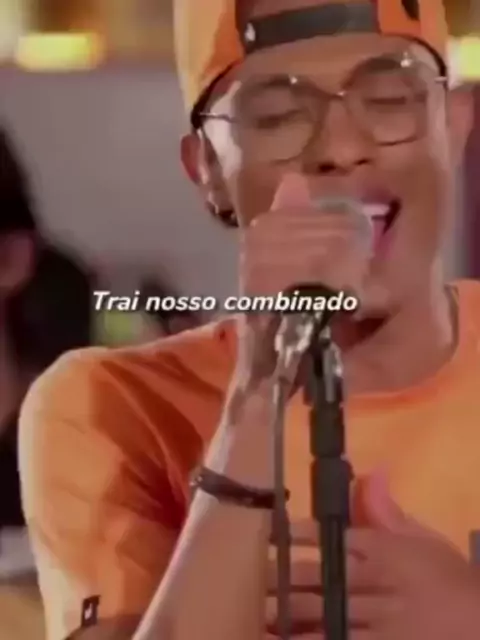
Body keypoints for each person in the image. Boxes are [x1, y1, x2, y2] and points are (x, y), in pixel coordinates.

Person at [18, 0, 480, 639]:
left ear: (454, 127)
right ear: (207, 170)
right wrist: (258, 397)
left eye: (388, 99)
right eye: (279, 116)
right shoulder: (112, 406)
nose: (341, 148)